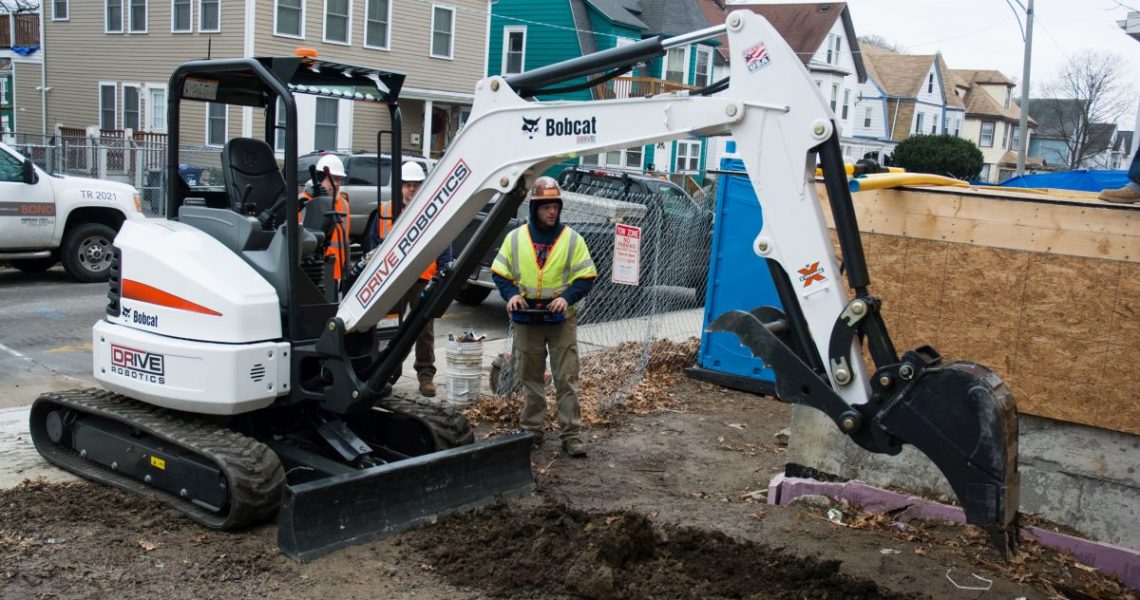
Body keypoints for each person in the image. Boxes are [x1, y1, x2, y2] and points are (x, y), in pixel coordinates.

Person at [491, 176, 597, 457]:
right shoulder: (516, 238)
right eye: (546, 206)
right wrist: (511, 294)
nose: (552, 211)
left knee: (566, 378)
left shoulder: (572, 239)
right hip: (527, 318)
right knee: (531, 378)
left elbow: (586, 277)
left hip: (560, 319)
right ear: (534, 208)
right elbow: (500, 273)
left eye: (555, 206)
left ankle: (571, 435)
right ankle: (532, 431)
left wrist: (565, 298)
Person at [370, 161, 452, 397]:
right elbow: (373, 246)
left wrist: (441, 274)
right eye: (407, 185)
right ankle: (387, 374)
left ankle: (425, 376)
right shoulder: (385, 211)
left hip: (422, 281)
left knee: (424, 330)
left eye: (416, 185)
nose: (412, 190)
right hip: (393, 282)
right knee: (391, 329)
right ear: (400, 187)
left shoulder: (432, 212)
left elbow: (443, 246)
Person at [300, 154, 350, 289]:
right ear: (320, 178)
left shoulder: (344, 205)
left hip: (336, 272)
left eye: (339, 180)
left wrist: (346, 271)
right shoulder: (303, 202)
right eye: (333, 179)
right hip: (312, 271)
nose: (337, 184)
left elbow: (345, 242)